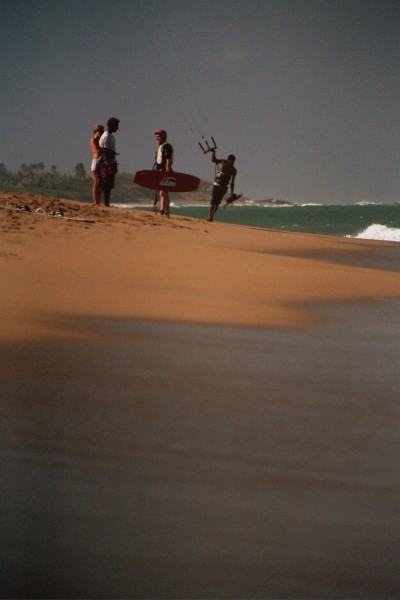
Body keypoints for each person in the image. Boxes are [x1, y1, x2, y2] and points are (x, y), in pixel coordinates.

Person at [207, 150, 237, 222]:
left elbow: (232, 182)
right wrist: (214, 152)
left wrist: (232, 193)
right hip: (217, 184)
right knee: (213, 201)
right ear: (228, 160)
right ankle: (209, 216)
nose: (232, 163)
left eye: (233, 162)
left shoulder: (234, 170)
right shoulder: (223, 162)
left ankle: (211, 217)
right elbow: (213, 160)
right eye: (231, 162)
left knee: (217, 202)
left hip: (223, 187)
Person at [99, 117, 120, 207]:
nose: (117, 128)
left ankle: (107, 203)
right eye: (116, 126)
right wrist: (109, 166)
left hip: (110, 161)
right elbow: (106, 152)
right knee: (106, 184)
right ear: (112, 126)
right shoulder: (106, 136)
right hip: (107, 163)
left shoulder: (110, 135)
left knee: (109, 184)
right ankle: (106, 203)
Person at [154, 129, 174, 216]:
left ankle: (164, 211)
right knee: (162, 192)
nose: (158, 138)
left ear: (164, 137)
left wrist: (167, 173)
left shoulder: (166, 147)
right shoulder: (161, 146)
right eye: (157, 137)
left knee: (163, 192)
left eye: (159, 136)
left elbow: (168, 161)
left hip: (165, 172)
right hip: (160, 171)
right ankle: (164, 212)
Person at [90, 124, 105, 205]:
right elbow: (96, 151)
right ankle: (96, 201)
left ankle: (98, 201)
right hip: (96, 161)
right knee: (96, 181)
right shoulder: (93, 140)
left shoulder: (100, 141)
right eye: (100, 132)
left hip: (100, 161)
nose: (101, 133)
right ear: (96, 132)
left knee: (100, 182)